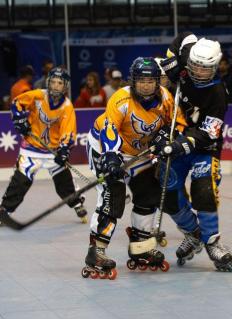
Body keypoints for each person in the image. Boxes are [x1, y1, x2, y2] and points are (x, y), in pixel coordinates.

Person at [82, 57, 185, 280]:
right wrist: (111, 158)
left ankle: (140, 247)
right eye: (141, 81)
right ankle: (96, 252)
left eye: (151, 81)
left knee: (149, 194)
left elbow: (176, 124)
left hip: (138, 153)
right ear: (133, 81)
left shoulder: (166, 99)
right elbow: (109, 129)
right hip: (105, 148)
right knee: (113, 195)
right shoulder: (121, 99)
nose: (146, 85)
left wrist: (165, 136)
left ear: (158, 82)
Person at [158, 32, 232, 272]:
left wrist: (183, 143)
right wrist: (171, 62)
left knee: (203, 188)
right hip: (178, 135)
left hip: (204, 146)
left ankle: (212, 241)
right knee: (166, 188)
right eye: (194, 66)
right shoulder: (188, 53)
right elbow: (184, 37)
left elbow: (209, 133)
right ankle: (193, 232)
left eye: (204, 69)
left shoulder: (218, 95)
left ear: (215, 67)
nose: (197, 72)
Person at [0, 67, 88, 225]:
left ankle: (76, 204)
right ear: (48, 82)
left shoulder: (67, 107)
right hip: (30, 148)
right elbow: (17, 103)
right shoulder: (38, 96)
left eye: (59, 83)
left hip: (52, 151)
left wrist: (63, 150)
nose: (55, 85)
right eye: (53, 82)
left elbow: (68, 131)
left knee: (64, 183)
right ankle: (4, 210)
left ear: (65, 86)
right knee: (20, 181)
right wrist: (20, 120)